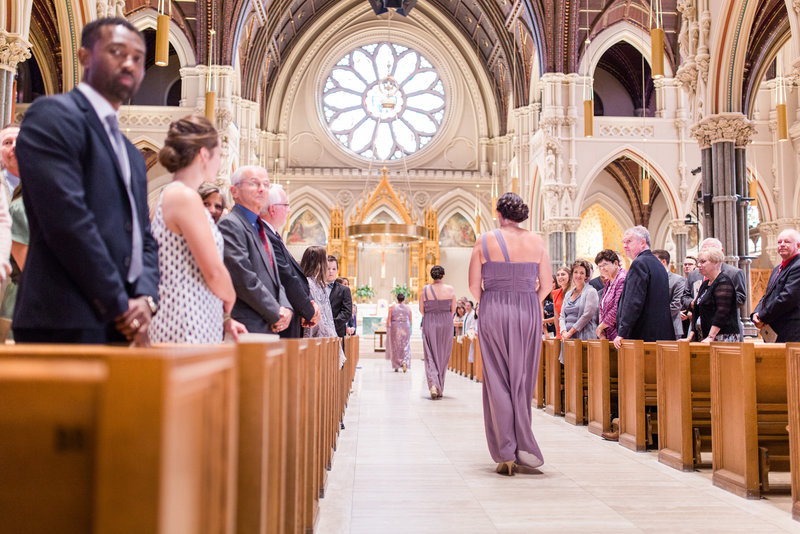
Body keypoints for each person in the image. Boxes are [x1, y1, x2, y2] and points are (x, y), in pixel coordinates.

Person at [14, 18, 158, 343]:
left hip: (121, 324)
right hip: (64, 318)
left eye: (138, 57)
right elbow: (67, 222)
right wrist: (119, 304)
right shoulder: (53, 116)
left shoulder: (132, 155)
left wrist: (147, 300)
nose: (129, 63)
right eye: (116, 51)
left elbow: (144, 238)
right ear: (84, 57)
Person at [468, 192, 553, 476]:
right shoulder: (537, 240)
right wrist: (529, 301)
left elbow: (473, 287)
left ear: (500, 214)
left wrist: (492, 301)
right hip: (528, 310)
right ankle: (522, 446)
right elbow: (547, 284)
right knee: (522, 377)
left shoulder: (484, 240)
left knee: (496, 377)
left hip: (493, 308)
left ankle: (505, 452)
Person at [148, 115, 246, 343]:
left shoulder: (171, 195)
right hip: (184, 319)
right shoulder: (184, 196)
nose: (220, 163)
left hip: (194, 312)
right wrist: (230, 296)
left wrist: (223, 318)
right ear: (204, 154)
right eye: (218, 155)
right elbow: (212, 270)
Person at [218, 166, 292, 334]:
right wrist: (276, 312)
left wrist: (286, 307)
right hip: (246, 324)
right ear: (234, 191)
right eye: (254, 183)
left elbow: (275, 278)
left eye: (266, 184)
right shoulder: (230, 225)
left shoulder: (261, 228)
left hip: (267, 323)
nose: (262, 189)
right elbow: (243, 278)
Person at [262, 183, 320, 337]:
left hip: (292, 316)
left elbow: (296, 276)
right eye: (286, 205)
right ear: (272, 209)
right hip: (282, 318)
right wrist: (309, 310)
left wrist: (311, 302)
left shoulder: (273, 235)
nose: (289, 210)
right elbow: (286, 276)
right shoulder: (265, 236)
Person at [613, 226, 673, 349]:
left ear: (642, 242)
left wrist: (622, 332)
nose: (625, 246)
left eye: (629, 241)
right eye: (623, 242)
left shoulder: (639, 263)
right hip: (660, 332)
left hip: (642, 335)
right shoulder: (657, 264)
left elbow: (633, 300)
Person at [752, 229, 800, 342]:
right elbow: (767, 295)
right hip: (776, 331)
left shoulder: (797, 266)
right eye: (779, 242)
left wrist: (763, 316)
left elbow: (787, 298)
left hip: (791, 332)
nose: (782, 245)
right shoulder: (777, 269)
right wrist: (756, 313)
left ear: (798, 245)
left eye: (787, 242)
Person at [300, 246, 345, 367]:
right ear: (318, 263)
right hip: (316, 339)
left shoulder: (319, 284)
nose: (327, 266)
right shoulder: (308, 283)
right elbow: (318, 315)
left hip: (326, 339)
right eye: (325, 261)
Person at [0, 125, 25, 320]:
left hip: (23, 285)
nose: (14, 147)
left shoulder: (42, 183)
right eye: (7, 143)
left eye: (19, 141)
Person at [420, 264, 456, 400]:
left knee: (430, 353)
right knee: (443, 354)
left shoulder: (425, 289)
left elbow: (421, 310)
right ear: (443, 276)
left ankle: (434, 384)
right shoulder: (450, 289)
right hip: (446, 322)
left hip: (430, 321)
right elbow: (453, 310)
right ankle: (438, 384)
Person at [689, 248, 740, 342]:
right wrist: (691, 336)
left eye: (703, 262)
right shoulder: (705, 284)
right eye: (698, 262)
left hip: (721, 336)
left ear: (716, 262)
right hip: (704, 335)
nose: (699, 265)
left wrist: (711, 336)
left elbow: (722, 312)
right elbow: (697, 311)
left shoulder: (723, 282)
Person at [559, 259, 598, 361]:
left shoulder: (591, 291)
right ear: (572, 274)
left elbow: (587, 315)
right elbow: (562, 316)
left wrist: (570, 332)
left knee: (583, 370)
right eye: (576, 272)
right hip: (568, 338)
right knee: (570, 370)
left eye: (582, 273)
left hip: (584, 337)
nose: (578, 275)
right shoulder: (568, 294)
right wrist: (563, 332)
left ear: (586, 276)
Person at [653, 249, 686, 340]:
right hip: (653, 328)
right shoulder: (651, 280)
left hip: (672, 327)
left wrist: (655, 316)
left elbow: (676, 305)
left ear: (663, 262)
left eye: (654, 262)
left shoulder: (678, 280)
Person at [594, 249, 626, 340]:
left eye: (605, 265)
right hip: (608, 331)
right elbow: (602, 306)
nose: (602, 269)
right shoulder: (609, 281)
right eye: (599, 266)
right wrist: (602, 330)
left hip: (619, 333)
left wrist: (601, 326)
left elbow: (618, 307)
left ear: (615, 263)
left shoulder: (622, 279)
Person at [327, 255, 353, 338]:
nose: (331, 271)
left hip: (337, 332)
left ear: (337, 271)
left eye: (334, 269)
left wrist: (330, 325)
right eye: (328, 268)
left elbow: (347, 312)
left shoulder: (344, 290)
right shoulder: (316, 287)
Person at [386, 292, 412, 372]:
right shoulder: (408, 308)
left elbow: (389, 319)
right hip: (405, 326)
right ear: (404, 299)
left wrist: (389, 328)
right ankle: (404, 362)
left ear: (397, 299)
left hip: (395, 326)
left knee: (395, 345)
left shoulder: (392, 307)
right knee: (405, 344)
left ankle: (396, 365)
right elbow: (410, 320)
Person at [552, 266, 572, 337]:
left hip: (571, 330)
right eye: (558, 275)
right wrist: (558, 334)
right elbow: (556, 316)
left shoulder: (574, 292)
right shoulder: (555, 293)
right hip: (560, 332)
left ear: (569, 276)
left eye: (563, 274)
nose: (560, 277)